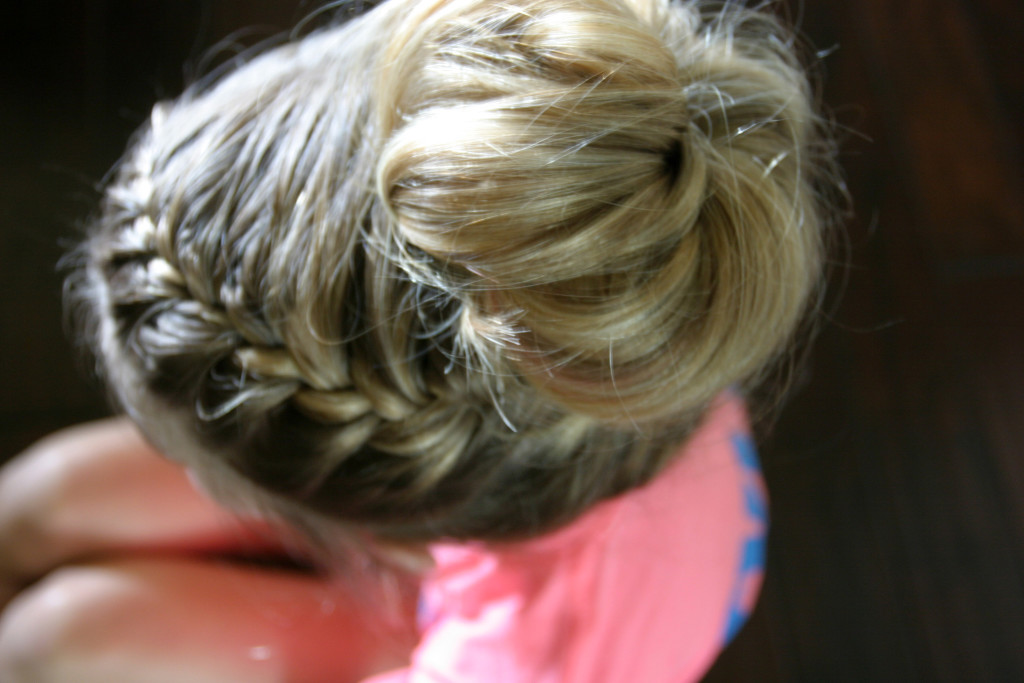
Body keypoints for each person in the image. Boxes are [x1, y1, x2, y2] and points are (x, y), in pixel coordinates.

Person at [0, 0, 838, 680]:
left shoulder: (540, 660)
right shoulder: (626, 266)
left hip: (498, 620)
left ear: (382, 542)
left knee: (49, 644)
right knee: (40, 500)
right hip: (522, 469)